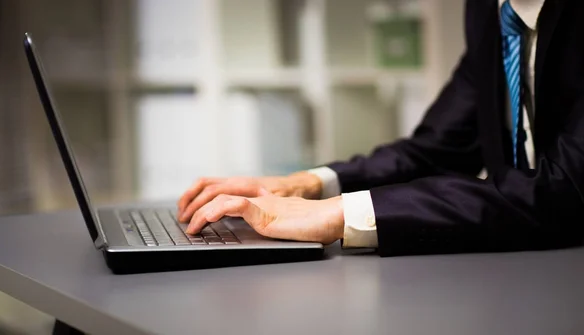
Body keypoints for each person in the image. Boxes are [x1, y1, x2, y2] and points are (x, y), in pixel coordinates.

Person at [177, 0, 584, 256]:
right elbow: (436, 149)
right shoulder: (490, 9)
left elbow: (564, 189)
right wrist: (307, 185)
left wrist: (340, 215)